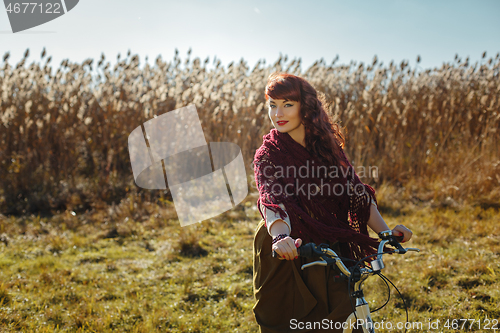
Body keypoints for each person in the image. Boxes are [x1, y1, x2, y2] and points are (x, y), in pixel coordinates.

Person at [252, 72, 413, 333]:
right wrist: (281, 237)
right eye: (272, 105)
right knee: (285, 323)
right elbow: (272, 198)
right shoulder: (268, 154)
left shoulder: (327, 147)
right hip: (287, 246)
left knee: (333, 323)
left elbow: (355, 193)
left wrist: (385, 232)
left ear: (305, 108)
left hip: (330, 241)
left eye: (287, 105)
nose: (277, 113)